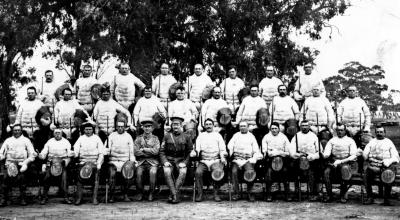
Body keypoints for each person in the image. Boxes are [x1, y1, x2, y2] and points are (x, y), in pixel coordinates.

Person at [190, 118, 227, 202]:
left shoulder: (217, 135)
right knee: (198, 172)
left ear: (213, 125)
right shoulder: (201, 136)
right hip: (204, 160)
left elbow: (222, 149)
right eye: (206, 124)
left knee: (218, 171)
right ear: (204, 126)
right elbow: (197, 148)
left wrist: (223, 157)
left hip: (215, 160)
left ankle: (216, 193)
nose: (208, 126)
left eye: (210, 124)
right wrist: (195, 152)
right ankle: (200, 194)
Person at [0, 124, 36, 206]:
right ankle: (3, 199)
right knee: (5, 179)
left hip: (21, 164)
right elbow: (1, 152)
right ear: (12, 131)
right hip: (9, 163)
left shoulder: (26, 140)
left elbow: (32, 154)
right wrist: (2, 157)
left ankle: (23, 198)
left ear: (21, 131)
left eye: (18, 130)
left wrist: (26, 162)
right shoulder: (8, 140)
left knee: (22, 178)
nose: (16, 132)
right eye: (15, 130)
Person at [363, 126, 399, 206]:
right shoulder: (372, 142)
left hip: (386, 165)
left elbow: (395, 156)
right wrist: (367, 155)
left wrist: (387, 161)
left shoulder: (389, 142)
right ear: (375, 133)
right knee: (366, 174)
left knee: (388, 174)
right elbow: (365, 154)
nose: (379, 134)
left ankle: (387, 198)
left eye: (381, 132)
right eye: (378, 132)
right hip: (374, 165)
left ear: (384, 133)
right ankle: (370, 197)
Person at [160, 116, 193, 204]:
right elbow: (162, 151)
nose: (175, 126)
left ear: (181, 125)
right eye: (174, 124)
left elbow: (190, 152)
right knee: (167, 171)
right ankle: (175, 195)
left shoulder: (186, 137)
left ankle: (172, 194)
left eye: (177, 124)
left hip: (181, 161)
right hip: (169, 160)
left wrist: (185, 162)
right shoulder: (167, 136)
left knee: (183, 172)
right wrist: (165, 161)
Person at [228, 121, 262, 202]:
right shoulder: (236, 135)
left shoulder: (251, 137)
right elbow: (230, 146)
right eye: (241, 126)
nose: (242, 128)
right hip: (237, 159)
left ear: (247, 127)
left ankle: (250, 193)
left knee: (250, 171)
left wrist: (253, 159)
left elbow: (256, 150)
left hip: (247, 159)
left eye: (244, 126)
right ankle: (236, 193)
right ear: (239, 127)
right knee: (234, 171)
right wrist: (231, 152)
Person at [322, 123, 357, 203]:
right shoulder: (332, 140)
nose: (340, 132)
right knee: (326, 172)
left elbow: (353, 156)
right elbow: (327, 152)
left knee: (344, 169)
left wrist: (342, 161)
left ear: (345, 131)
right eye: (338, 130)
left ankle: (342, 195)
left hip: (346, 162)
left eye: (342, 130)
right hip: (334, 162)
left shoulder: (350, 141)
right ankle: (329, 195)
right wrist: (325, 155)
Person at [38, 128, 74, 204]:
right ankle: (44, 196)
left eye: (59, 133)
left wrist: (71, 154)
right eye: (56, 133)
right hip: (51, 162)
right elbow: (44, 152)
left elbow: (69, 152)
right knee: (47, 176)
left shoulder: (66, 142)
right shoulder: (49, 142)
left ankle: (65, 197)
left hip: (62, 162)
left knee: (64, 177)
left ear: (61, 134)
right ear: (53, 134)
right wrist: (41, 155)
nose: (57, 134)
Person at [73, 121, 104, 205]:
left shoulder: (97, 139)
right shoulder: (81, 138)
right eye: (86, 129)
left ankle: (94, 198)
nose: (88, 131)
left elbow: (101, 153)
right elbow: (76, 151)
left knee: (96, 176)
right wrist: (74, 154)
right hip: (83, 162)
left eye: (90, 129)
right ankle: (79, 198)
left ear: (93, 130)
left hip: (94, 162)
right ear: (84, 130)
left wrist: (99, 163)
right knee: (79, 176)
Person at [289, 120, 321, 201]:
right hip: (299, 158)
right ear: (300, 126)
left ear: (309, 126)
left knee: (312, 172)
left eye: (306, 125)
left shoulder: (314, 136)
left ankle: (313, 193)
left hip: (311, 159)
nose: (304, 127)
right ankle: (296, 192)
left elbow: (319, 151)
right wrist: (295, 155)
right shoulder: (296, 136)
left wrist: (313, 156)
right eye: (302, 125)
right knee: (293, 169)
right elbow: (291, 149)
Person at [104, 120, 135, 203]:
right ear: (116, 127)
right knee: (112, 173)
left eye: (122, 127)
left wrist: (132, 161)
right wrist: (106, 151)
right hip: (113, 161)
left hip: (125, 161)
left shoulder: (128, 136)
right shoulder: (111, 136)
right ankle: (111, 195)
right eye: (119, 126)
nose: (120, 128)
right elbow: (105, 149)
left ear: (125, 127)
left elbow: (131, 151)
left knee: (129, 170)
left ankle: (125, 194)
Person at [261, 122, 291, 201]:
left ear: (279, 129)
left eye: (275, 128)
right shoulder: (266, 137)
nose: (274, 130)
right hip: (270, 160)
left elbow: (288, 151)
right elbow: (264, 150)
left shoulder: (284, 137)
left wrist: (280, 153)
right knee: (268, 173)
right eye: (272, 129)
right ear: (270, 129)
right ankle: (269, 194)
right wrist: (268, 153)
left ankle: (287, 194)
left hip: (282, 159)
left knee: (285, 172)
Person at [134, 120, 160, 201]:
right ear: (143, 128)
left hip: (152, 162)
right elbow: (136, 152)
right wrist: (149, 152)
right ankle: (140, 193)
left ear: (152, 128)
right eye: (145, 127)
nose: (147, 128)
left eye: (149, 127)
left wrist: (144, 149)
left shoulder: (156, 139)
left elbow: (156, 151)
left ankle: (151, 193)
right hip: (141, 162)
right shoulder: (138, 139)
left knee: (153, 172)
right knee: (138, 173)